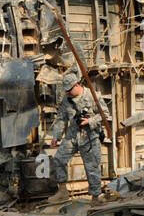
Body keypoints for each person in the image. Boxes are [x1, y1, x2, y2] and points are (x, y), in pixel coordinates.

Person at [45, 70, 106, 202]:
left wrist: (90, 121)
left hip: (89, 137)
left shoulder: (92, 96)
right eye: (65, 91)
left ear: (76, 85)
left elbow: (105, 114)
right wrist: (56, 136)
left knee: (92, 167)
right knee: (59, 160)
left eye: (69, 90)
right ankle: (62, 191)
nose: (67, 93)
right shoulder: (66, 100)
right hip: (72, 137)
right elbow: (61, 118)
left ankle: (96, 197)